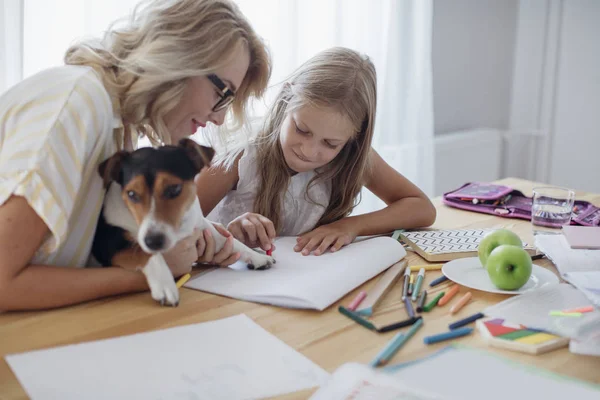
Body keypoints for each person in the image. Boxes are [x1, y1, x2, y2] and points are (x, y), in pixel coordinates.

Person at [0, 0, 271, 311]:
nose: (219, 119)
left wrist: (185, 248)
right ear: (180, 57)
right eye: (222, 93)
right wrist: (154, 273)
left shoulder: (120, 130)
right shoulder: (75, 107)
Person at [196, 47, 436, 257]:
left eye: (330, 144)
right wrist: (229, 234)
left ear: (355, 137)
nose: (309, 151)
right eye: (302, 129)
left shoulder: (353, 157)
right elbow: (173, 229)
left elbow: (421, 208)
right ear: (285, 101)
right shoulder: (240, 156)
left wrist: (350, 226)